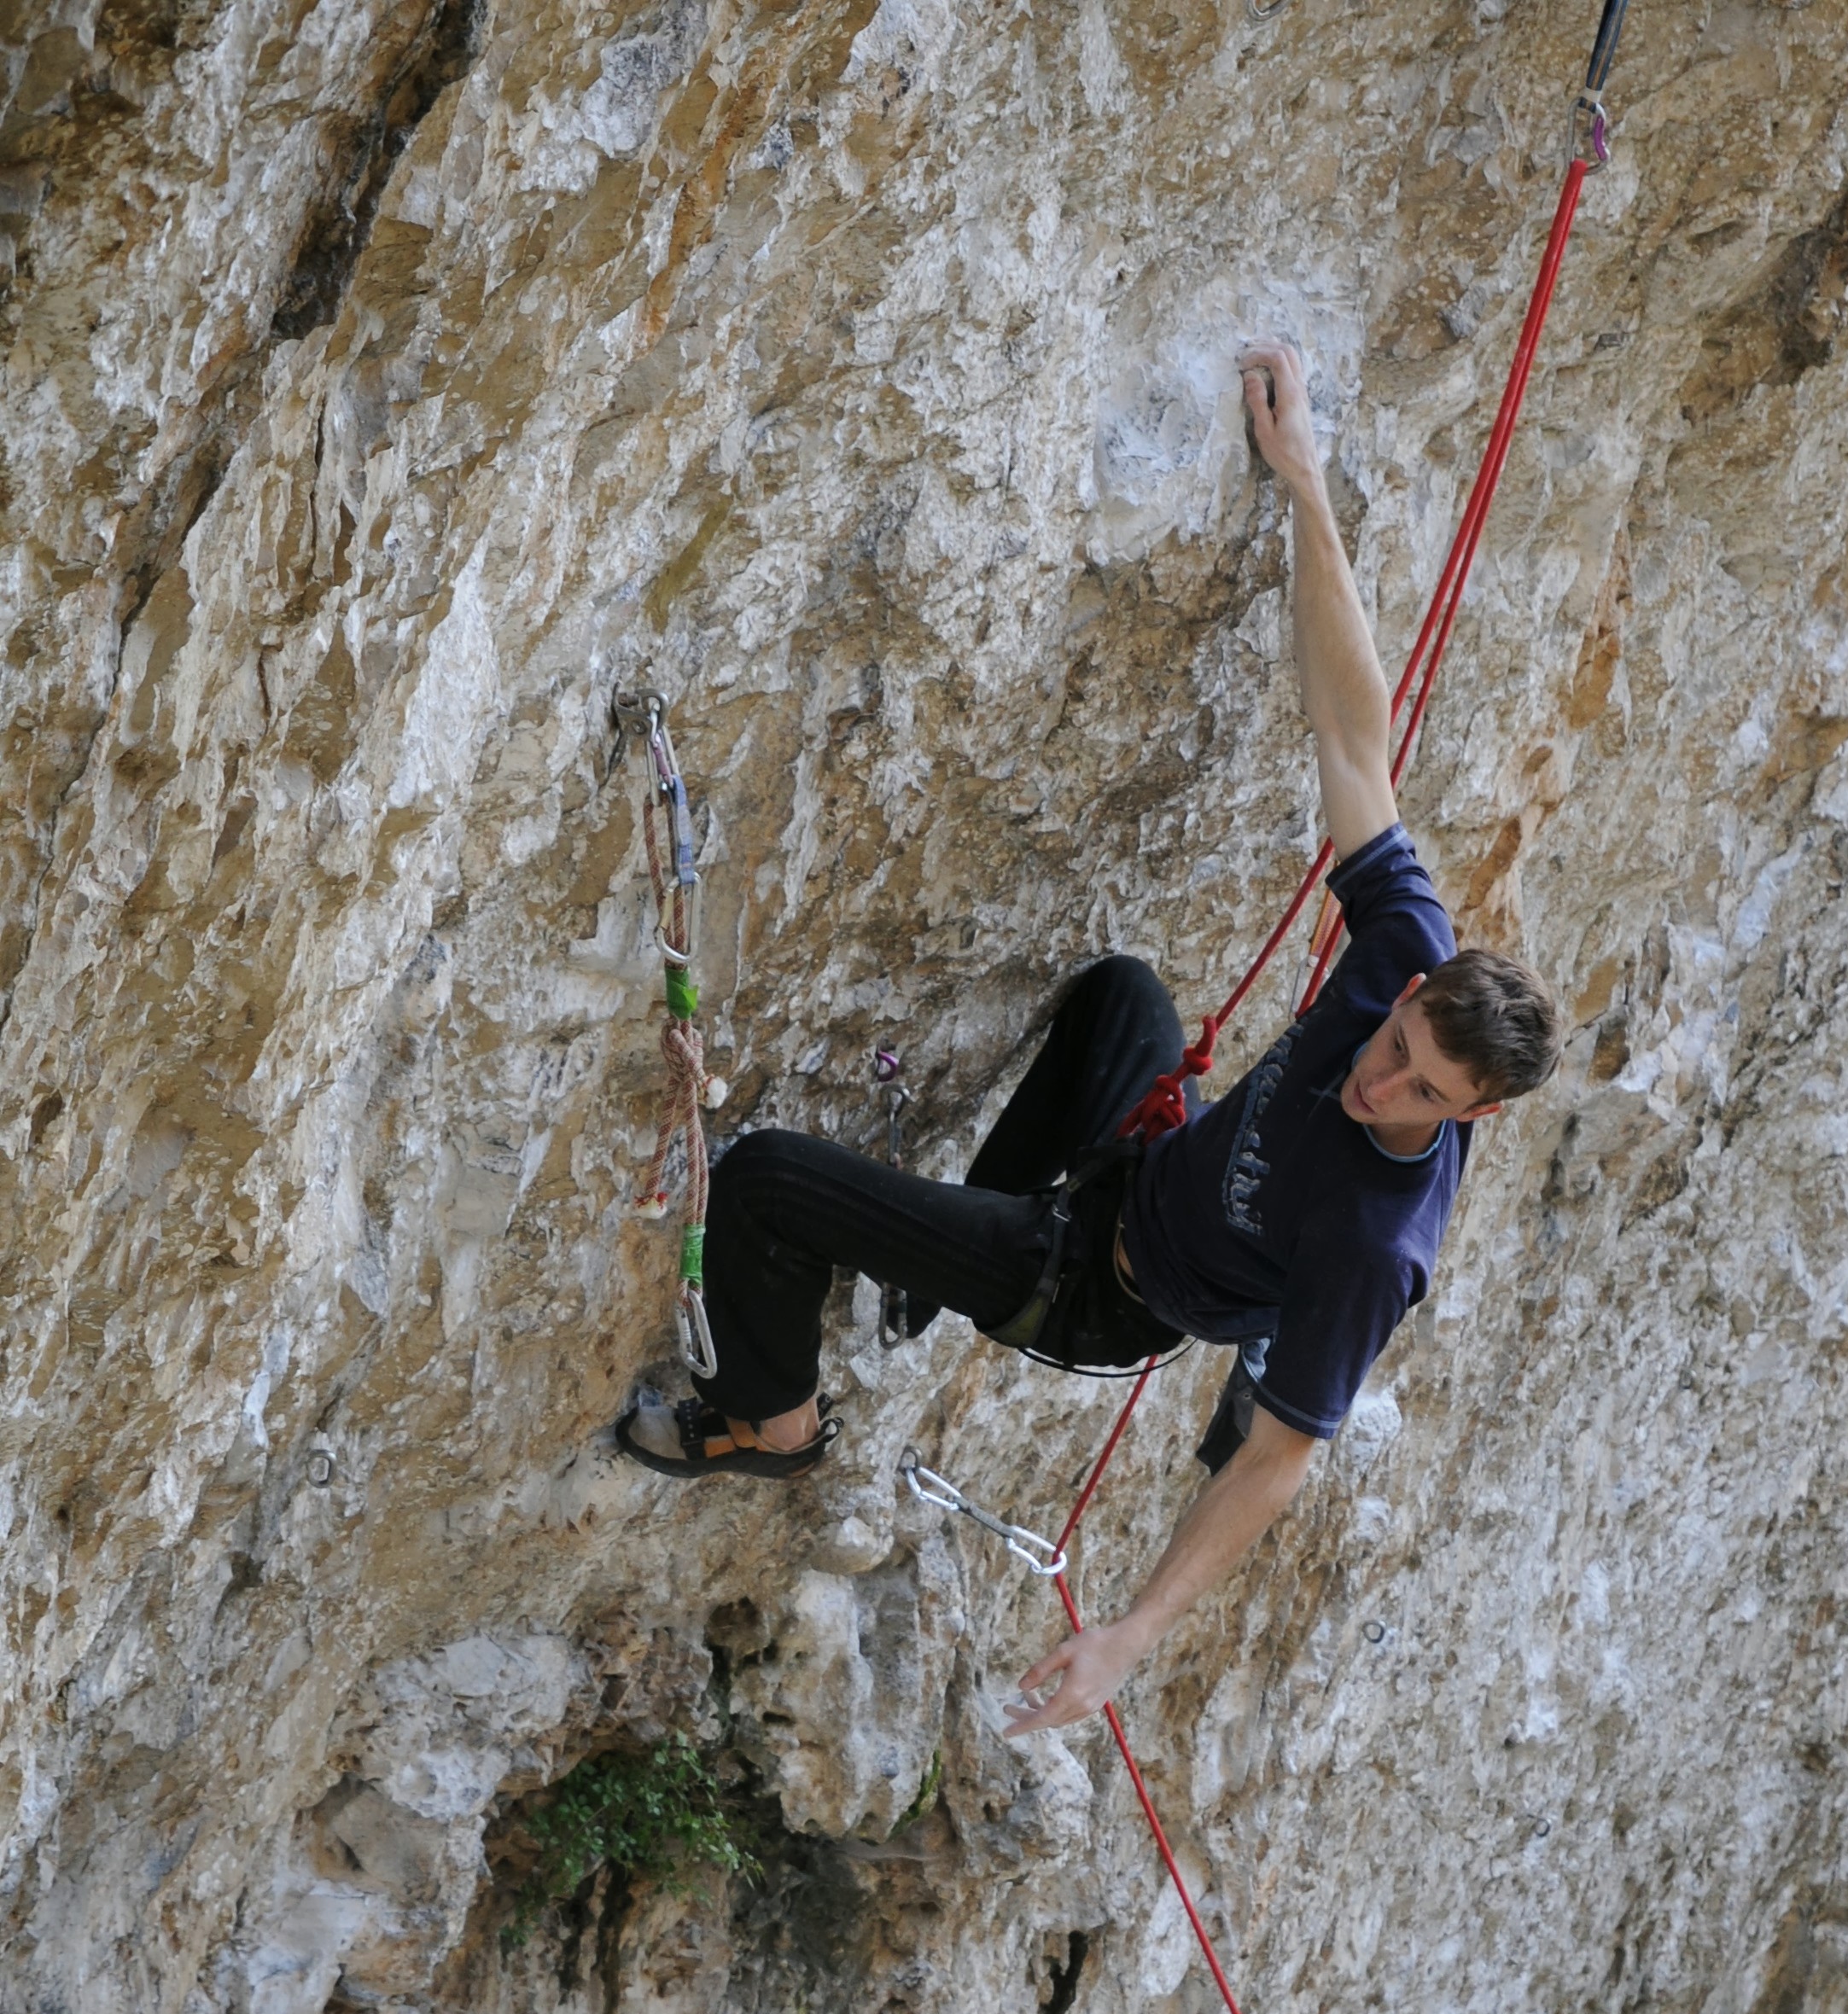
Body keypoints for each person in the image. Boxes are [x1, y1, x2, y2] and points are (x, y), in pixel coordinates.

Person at [616, 340, 1560, 1739]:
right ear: (1417, 989)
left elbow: (1277, 1464)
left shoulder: (1378, 1241)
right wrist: (1304, 486)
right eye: (1398, 1040)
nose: (1381, 1078)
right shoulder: (1405, 960)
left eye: (1420, 1088)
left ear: (1468, 1115)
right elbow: (1357, 743)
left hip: (1098, 1283)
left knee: (757, 1181)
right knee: (1123, 992)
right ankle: (922, 1277)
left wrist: (1133, 1630)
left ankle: (772, 1422)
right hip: (1143, 1163)